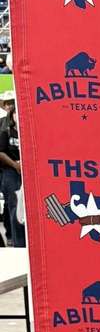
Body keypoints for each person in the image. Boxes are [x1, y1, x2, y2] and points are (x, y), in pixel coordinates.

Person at [0, 99, 25, 247]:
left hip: (26, 172)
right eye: (15, 113)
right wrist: (15, 165)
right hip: (10, 172)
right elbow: (1, 152)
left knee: (24, 209)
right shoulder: (6, 131)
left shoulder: (28, 133)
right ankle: (17, 243)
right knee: (14, 206)